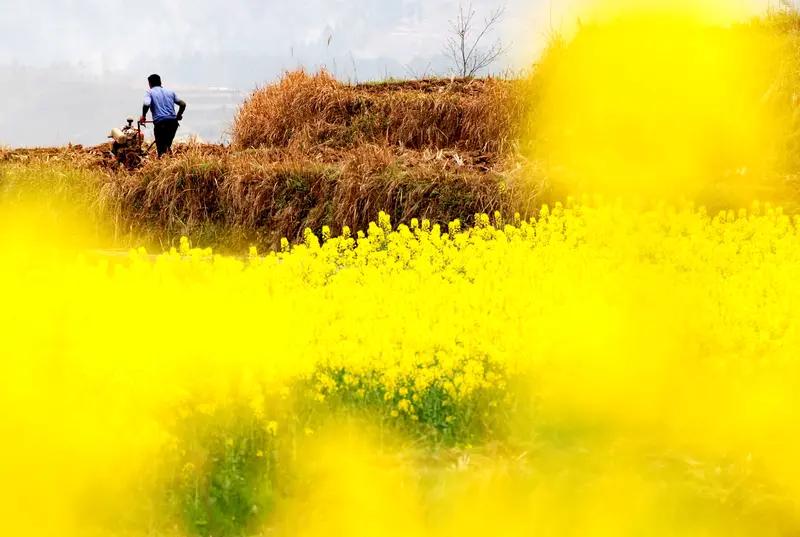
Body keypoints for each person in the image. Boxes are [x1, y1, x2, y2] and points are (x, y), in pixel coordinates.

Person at [140, 74, 187, 157]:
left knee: (161, 150)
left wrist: (143, 116)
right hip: (173, 123)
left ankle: (163, 164)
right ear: (160, 82)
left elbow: (146, 103)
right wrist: (178, 116)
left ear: (149, 84)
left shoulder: (149, 92)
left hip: (161, 124)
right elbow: (183, 104)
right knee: (167, 146)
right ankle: (170, 164)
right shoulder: (170, 92)